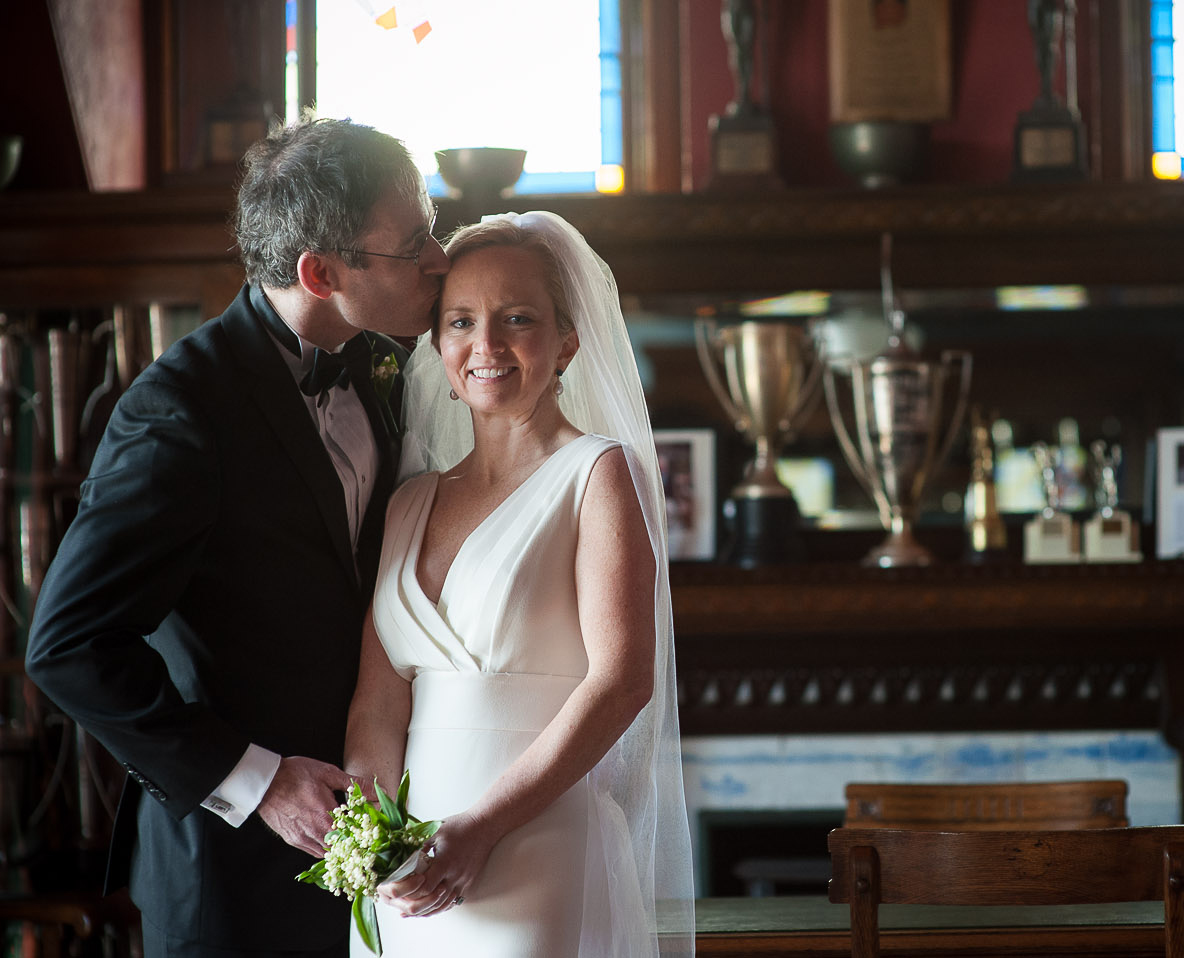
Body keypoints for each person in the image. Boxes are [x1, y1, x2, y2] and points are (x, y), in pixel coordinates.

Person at [24, 116, 449, 957]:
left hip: (385, 846)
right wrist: (258, 784)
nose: (440, 258)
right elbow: (68, 646)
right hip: (233, 871)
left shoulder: (385, 365)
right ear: (320, 272)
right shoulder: (181, 410)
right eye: (413, 245)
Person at [343, 212, 695, 956]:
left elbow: (623, 680)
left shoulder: (599, 474)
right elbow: (378, 702)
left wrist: (480, 829)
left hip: (534, 844)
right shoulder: (409, 502)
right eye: (462, 321)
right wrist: (371, 841)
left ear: (567, 340)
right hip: (406, 876)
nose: (487, 346)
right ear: (437, 344)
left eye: (518, 320)